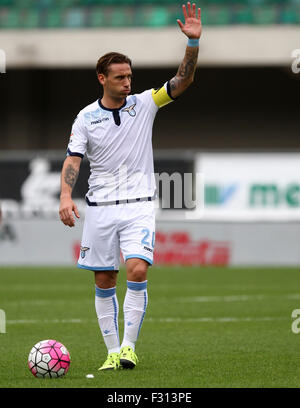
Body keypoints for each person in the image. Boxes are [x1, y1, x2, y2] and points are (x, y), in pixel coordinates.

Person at [59, 2, 202, 371]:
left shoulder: (145, 103)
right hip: (101, 208)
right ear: (102, 79)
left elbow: (182, 81)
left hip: (138, 203)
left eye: (130, 76)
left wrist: (193, 44)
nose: (128, 82)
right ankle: (110, 353)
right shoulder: (86, 118)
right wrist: (64, 195)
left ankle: (128, 348)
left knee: (137, 269)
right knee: (105, 278)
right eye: (120, 77)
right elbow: (74, 159)